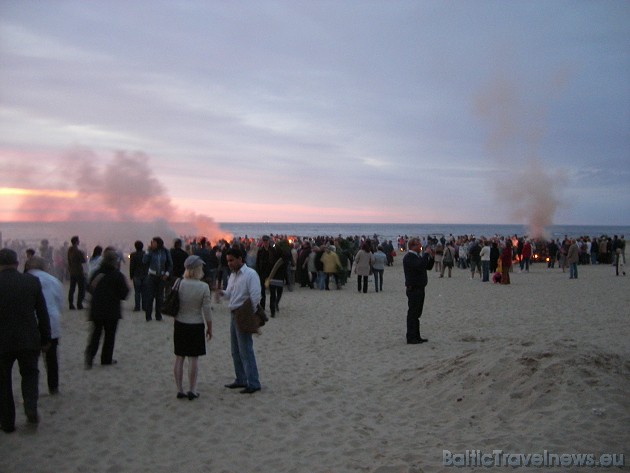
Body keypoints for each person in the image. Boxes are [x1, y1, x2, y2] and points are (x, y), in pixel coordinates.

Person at [0, 249, 51, 433]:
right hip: (28, 338)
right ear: (17, 263)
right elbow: (42, 314)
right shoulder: (31, 281)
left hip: (3, 342)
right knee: (30, 374)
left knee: (3, 382)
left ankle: (7, 422)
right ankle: (30, 407)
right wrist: (46, 338)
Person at [222, 248, 262, 394]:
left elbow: (256, 296)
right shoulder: (232, 276)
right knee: (235, 350)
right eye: (228, 261)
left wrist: (248, 315)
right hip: (233, 313)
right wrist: (221, 293)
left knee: (246, 349)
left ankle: (253, 382)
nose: (229, 263)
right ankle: (241, 379)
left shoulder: (250, 274)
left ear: (240, 259)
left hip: (243, 313)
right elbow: (229, 294)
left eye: (232, 260)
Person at [173, 255, 213, 401]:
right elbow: (207, 310)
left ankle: (179, 389)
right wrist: (210, 328)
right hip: (196, 323)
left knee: (179, 357)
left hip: (180, 322)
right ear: (198, 269)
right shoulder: (203, 287)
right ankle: (192, 389)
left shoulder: (179, 283)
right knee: (193, 358)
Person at [84, 250, 129, 368]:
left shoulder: (96, 273)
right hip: (112, 310)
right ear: (114, 262)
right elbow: (124, 293)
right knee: (110, 336)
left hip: (97, 309)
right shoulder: (118, 275)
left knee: (95, 334)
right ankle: (106, 359)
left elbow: (89, 288)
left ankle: (90, 356)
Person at [26, 257, 63, 395]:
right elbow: (60, 303)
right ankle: (53, 387)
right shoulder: (53, 280)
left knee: (30, 361)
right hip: (51, 323)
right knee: (51, 358)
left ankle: (31, 389)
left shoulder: (24, 280)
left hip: (30, 324)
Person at [402, 238, 434, 345]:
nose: (420, 247)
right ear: (412, 246)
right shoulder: (409, 257)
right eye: (418, 245)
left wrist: (431, 257)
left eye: (420, 245)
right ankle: (411, 337)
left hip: (420, 288)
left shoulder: (417, 256)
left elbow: (427, 267)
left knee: (417, 314)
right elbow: (420, 266)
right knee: (412, 314)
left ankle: (417, 336)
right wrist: (425, 254)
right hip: (413, 289)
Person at [142, 236, 173, 322]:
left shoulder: (166, 251)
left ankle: (158, 315)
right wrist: (148, 251)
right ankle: (148, 316)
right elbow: (144, 261)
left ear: (158, 243)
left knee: (160, 297)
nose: (152, 244)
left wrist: (167, 273)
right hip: (152, 276)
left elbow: (170, 264)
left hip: (162, 277)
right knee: (150, 297)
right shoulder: (150, 252)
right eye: (152, 242)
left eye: (154, 242)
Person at [67, 235, 87, 310]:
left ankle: (71, 304)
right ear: (76, 242)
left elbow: (68, 261)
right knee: (81, 288)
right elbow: (84, 261)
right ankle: (79, 304)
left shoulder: (70, 251)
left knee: (72, 288)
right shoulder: (78, 251)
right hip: (79, 272)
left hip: (72, 272)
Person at [255, 235, 274, 311]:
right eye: (264, 241)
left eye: (266, 241)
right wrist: (258, 273)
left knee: (272, 292)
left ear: (269, 241)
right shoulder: (260, 251)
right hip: (262, 274)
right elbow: (257, 263)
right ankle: (262, 307)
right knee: (262, 292)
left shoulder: (273, 250)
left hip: (271, 274)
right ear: (262, 242)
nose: (265, 242)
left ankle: (272, 309)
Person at [129, 240, 148, 312]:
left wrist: (131, 275)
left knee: (137, 292)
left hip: (136, 275)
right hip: (145, 274)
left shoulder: (133, 255)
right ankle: (144, 306)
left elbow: (132, 266)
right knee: (144, 292)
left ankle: (137, 307)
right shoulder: (146, 254)